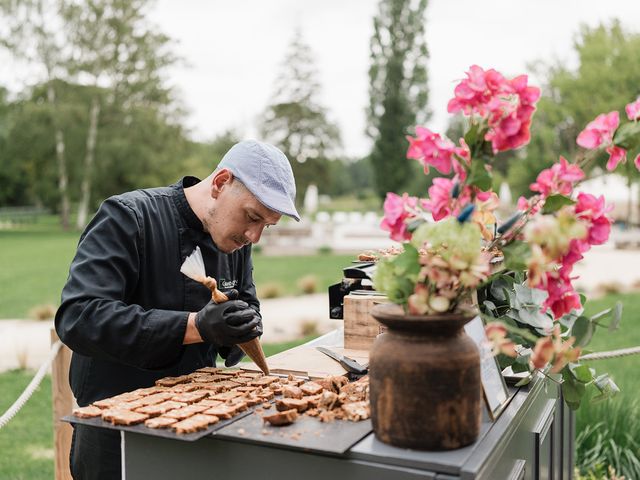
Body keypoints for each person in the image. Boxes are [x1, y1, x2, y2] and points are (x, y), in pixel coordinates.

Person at [55, 140, 300, 479]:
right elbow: (80, 317)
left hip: (202, 422)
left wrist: (239, 325)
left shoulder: (235, 239)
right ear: (219, 183)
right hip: (117, 431)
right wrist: (196, 326)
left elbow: (246, 303)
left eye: (266, 226)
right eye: (253, 217)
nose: (254, 236)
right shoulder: (129, 217)